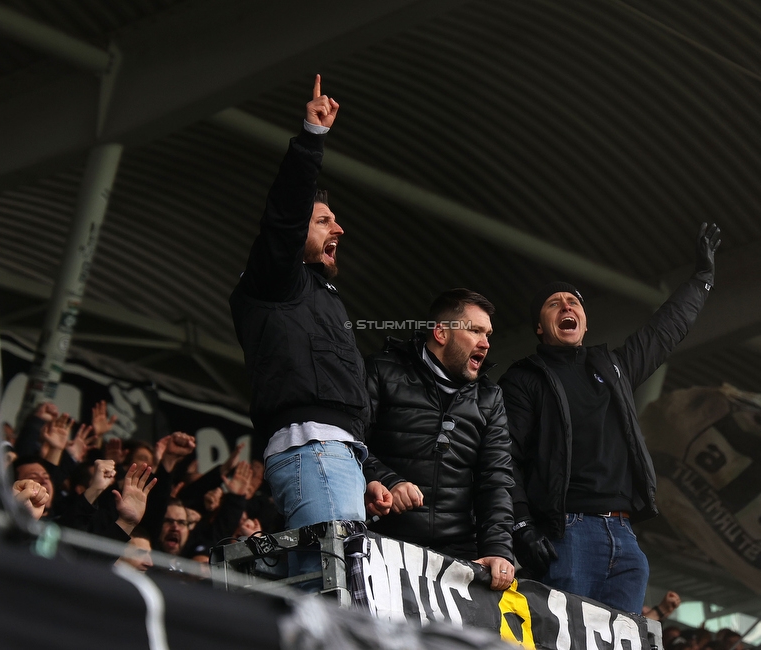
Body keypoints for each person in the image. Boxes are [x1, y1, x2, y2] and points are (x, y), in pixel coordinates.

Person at [499, 223, 721, 614]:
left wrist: (701, 279)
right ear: (539, 327)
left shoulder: (615, 368)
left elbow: (664, 330)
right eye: (554, 303)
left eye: (574, 302)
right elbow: (505, 456)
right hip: (567, 533)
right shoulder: (524, 379)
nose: (567, 306)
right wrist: (520, 525)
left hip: (625, 537)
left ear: (584, 322)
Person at [228, 76, 390, 572]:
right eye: (323, 220)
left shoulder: (326, 298)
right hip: (313, 452)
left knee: (340, 585)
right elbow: (282, 217)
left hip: (340, 458)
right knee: (336, 585)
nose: (338, 228)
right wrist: (311, 139)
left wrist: (372, 471)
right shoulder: (276, 281)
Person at [363, 289, 514, 590]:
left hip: (456, 556)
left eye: (488, 334)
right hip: (383, 543)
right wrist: (389, 481)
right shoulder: (382, 370)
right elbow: (349, 443)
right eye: (475, 331)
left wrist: (497, 549)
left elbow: (495, 480)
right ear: (441, 333)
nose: (486, 343)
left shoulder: (490, 397)